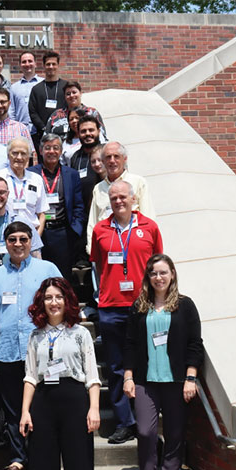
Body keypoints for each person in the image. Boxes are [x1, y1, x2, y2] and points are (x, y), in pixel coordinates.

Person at [19, 277, 100, 470]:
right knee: (43, 469)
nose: (53, 302)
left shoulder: (80, 333)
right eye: (48, 297)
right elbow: (30, 376)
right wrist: (25, 412)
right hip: (44, 401)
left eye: (58, 297)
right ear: (41, 302)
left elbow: (92, 376)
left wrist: (94, 408)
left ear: (67, 301)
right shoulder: (36, 336)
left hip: (74, 400)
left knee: (79, 467)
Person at [0, 220, 60, 470]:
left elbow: (62, 305)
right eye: (12, 239)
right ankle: (18, 457)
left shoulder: (47, 270)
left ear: (31, 241)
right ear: (5, 244)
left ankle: (43, 455)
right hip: (7, 353)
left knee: (42, 406)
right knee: (13, 408)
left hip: (44, 351)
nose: (17, 244)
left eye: (23, 239)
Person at [124, 254, 203, 470]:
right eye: (154, 273)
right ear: (148, 277)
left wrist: (191, 377)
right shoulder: (139, 307)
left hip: (176, 381)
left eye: (163, 272)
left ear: (172, 275)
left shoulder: (185, 306)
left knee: (175, 434)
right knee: (146, 433)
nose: (158, 278)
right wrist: (128, 376)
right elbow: (131, 346)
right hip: (146, 381)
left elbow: (194, 343)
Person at [90, 180, 163, 445]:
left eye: (123, 197)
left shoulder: (149, 227)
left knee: (146, 363)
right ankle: (124, 421)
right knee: (116, 367)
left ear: (134, 199)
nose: (118, 201)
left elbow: (159, 266)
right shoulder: (100, 229)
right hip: (111, 307)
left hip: (143, 305)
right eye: (113, 198)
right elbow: (97, 265)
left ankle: (147, 416)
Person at [27, 134, 84, 278]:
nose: (51, 151)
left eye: (55, 148)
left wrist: (74, 230)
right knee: (38, 274)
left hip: (63, 233)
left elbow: (78, 205)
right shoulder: (31, 173)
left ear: (60, 151)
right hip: (39, 231)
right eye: (47, 148)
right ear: (40, 151)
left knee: (62, 276)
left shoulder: (71, 174)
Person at [87, 141, 155, 253]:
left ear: (125, 159)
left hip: (134, 247)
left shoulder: (138, 182)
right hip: (106, 250)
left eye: (116, 156)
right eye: (108, 157)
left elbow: (148, 217)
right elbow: (92, 223)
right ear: (103, 161)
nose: (112, 161)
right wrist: (92, 250)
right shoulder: (98, 189)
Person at [0, 138, 48, 236]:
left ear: (29, 156)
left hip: (30, 236)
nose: (19, 157)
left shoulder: (36, 179)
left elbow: (42, 213)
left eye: (23, 153)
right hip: (4, 234)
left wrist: (37, 237)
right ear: (8, 155)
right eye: (15, 153)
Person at [28, 51, 68, 151]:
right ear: (44, 66)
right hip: (42, 135)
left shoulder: (66, 86)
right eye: (48, 64)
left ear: (58, 65)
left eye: (53, 64)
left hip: (64, 135)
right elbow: (32, 112)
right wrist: (45, 128)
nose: (51, 66)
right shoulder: (36, 89)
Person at [9, 51, 43, 132]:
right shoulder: (14, 87)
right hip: (20, 131)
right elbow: (11, 111)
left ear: (35, 64)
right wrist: (14, 128)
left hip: (40, 131)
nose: (27, 64)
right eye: (24, 62)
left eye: (30, 61)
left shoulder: (43, 84)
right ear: (20, 65)